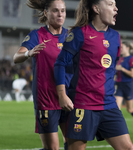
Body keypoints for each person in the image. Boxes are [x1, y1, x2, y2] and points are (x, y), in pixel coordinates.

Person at [54, 0, 133, 149]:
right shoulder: (80, 33)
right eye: (110, 4)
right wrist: (62, 95)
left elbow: (110, 68)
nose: (116, 9)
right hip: (83, 105)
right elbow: (60, 63)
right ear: (96, 8)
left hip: (108, 104)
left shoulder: (116, 37)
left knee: (127, 147)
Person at [13, 0, 69, 149]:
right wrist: (29, 52)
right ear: (46, 13)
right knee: (52, 148)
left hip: (68, 99)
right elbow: (16, 57)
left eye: (63, 10)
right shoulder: (37, 35)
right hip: (46, 100)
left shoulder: (70, 36)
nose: (60, 14)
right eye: (56, 10)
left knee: (74, 145)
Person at [115, 41, 133, 129]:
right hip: (119, 85)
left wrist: (122, 69)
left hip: (128, 85)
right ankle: (118, 127)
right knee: (116, 108)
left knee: (129, 109)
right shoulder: (119, 59)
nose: (120, 49)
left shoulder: (132, 59)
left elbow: (132, 74)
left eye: (122, 47)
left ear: (127, 48)